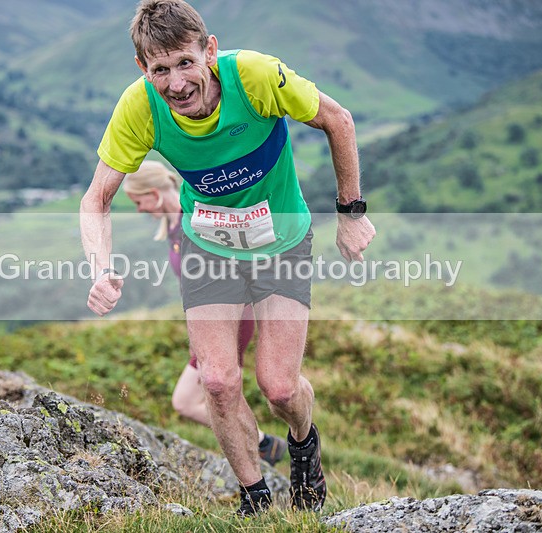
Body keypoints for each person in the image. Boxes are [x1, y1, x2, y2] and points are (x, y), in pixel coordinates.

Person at [80, 0, 376, 517]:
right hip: (209, 249)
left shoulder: (256, 76)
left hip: (281, 242)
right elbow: (96, 199)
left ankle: (304, 442)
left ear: (209, 51)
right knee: (216, 381)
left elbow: (338, 119)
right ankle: (255, 499)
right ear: (143, 70)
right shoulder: (140, 106)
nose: (175, 84)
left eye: (185, 63)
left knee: (280, 387)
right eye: (160, 70)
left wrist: (351, 212)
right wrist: (100, 267)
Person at [122, 160, 287, 466]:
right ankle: (263, 447)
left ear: (153, 192)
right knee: (201, 399)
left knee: (205, 397)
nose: (139, 210)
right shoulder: (172, 225)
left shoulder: (192, 217)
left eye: (138, 201)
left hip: (230, 318)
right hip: (210, 322)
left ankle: (258, 453)